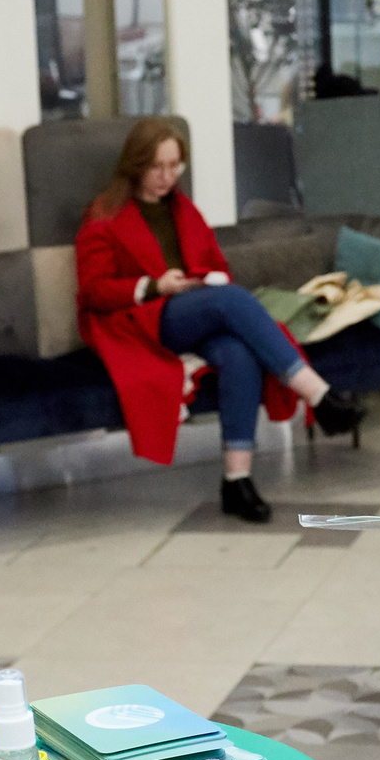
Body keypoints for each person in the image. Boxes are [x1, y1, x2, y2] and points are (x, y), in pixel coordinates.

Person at [75, 116, 360, 521]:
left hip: (193, 310)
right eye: (157, 167)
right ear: (136, 165)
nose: (167, 177)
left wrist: (204, 280)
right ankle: (318, 395)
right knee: (232, 300)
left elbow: (216, 266)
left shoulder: (184, 210)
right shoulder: (104, 215)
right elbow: (93, 290)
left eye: (174, 166)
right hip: (144, 320)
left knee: (238, 353)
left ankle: (236, 480)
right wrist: (154, 285)